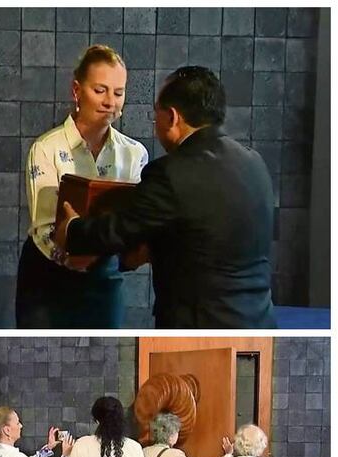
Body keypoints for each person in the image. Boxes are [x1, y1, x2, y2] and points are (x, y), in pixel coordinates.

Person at [57, 65, 276, 328]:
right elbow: (203, 235)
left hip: (200, 331)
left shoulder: (171, 172)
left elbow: (120, 229)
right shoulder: (255, 162)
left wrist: (71, 229)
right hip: (260, 325)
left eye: (156, 112)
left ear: (172, 117)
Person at [16, 45, 147, 328]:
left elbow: (135, 222)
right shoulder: (46, 148)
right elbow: (44, 226)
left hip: (104, 275)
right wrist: (76, 257)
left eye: (118, 92)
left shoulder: (134, 153)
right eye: (100, 90)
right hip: (48, 276)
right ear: (77, 91)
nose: (110, 101)